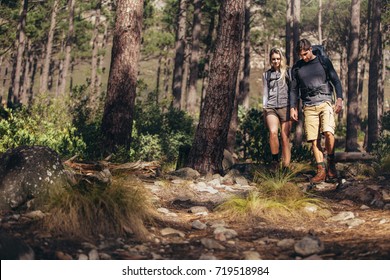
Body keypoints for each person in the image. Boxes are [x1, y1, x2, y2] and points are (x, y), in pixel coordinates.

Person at [290, 39, 343, 183]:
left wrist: (339, 99)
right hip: (308, 106)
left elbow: (336, 81)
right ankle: (321, 171)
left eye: (305, 54)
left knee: (328, 133)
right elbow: (294, 90)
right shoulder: (297, 68)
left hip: (325, 102)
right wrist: (292, 107)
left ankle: (331, 164)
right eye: (301, 55)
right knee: (314, 140)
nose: (303, 57)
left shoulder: (323, 61)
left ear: (311, 49)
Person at [262, 48, 292, 170]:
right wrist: (264, 107)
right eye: (273, 59)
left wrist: (293, 107)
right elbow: (265, 92)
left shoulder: (288, 72)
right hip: (271, 107)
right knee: (273, 132)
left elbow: (293, 90)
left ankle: (286, 166)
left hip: (286, 106)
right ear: (270, 60)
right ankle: (275, 162)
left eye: (278, 59)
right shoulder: (266, 75)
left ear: (281, 59)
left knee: (285, 137)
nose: (276, 61)